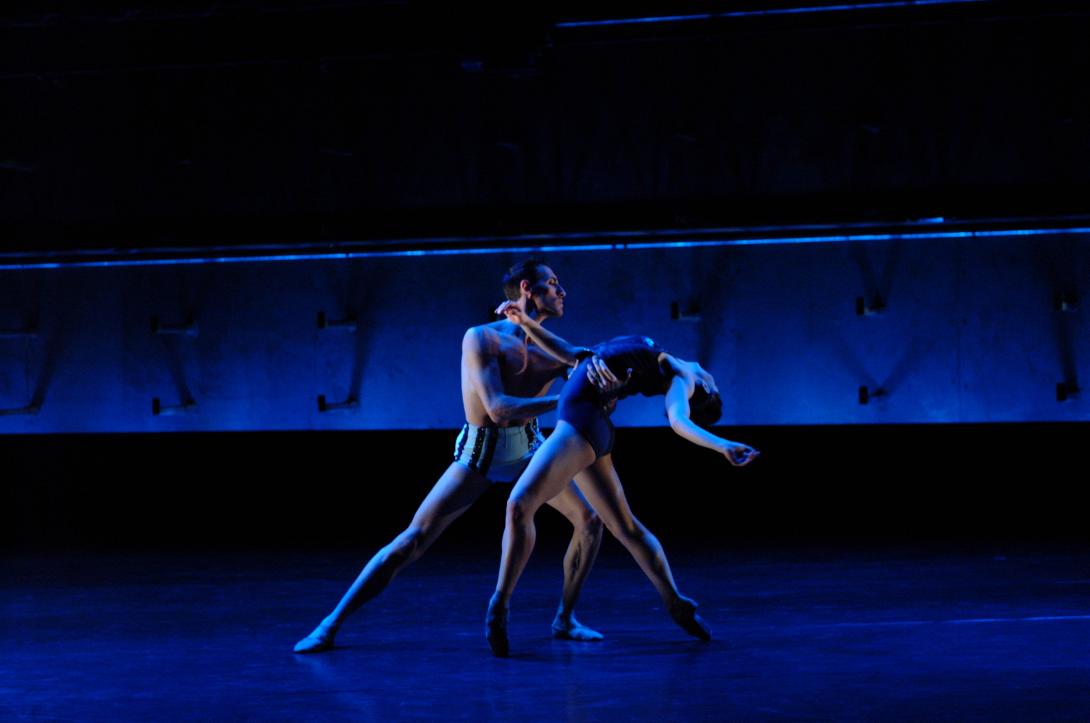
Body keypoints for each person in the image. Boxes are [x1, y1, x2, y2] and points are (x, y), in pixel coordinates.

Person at [294, 258, 615, 654]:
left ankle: (564, 618)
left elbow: (589, 367)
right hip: (481, 455)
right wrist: (567, 398)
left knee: (590, 521)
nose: (562, 291)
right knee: (413, 540)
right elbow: (498, 409)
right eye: (552, 283)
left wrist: (605, 387)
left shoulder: (555, 353)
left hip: (529, 448)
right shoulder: (481, 338)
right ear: (526, 289)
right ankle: (330, 624)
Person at [485, 301, 759, 656]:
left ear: (707, 391)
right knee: (624, 527)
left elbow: (679, 422)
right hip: (591, 425)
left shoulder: (684, 379)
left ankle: (500, 606)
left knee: (519, 505)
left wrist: (722, 445)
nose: (710, 377)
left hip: (580, 426)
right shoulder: (670, 359)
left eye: (710, 385)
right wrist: (525, 322)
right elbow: (573, 354)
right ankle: (669, 601)